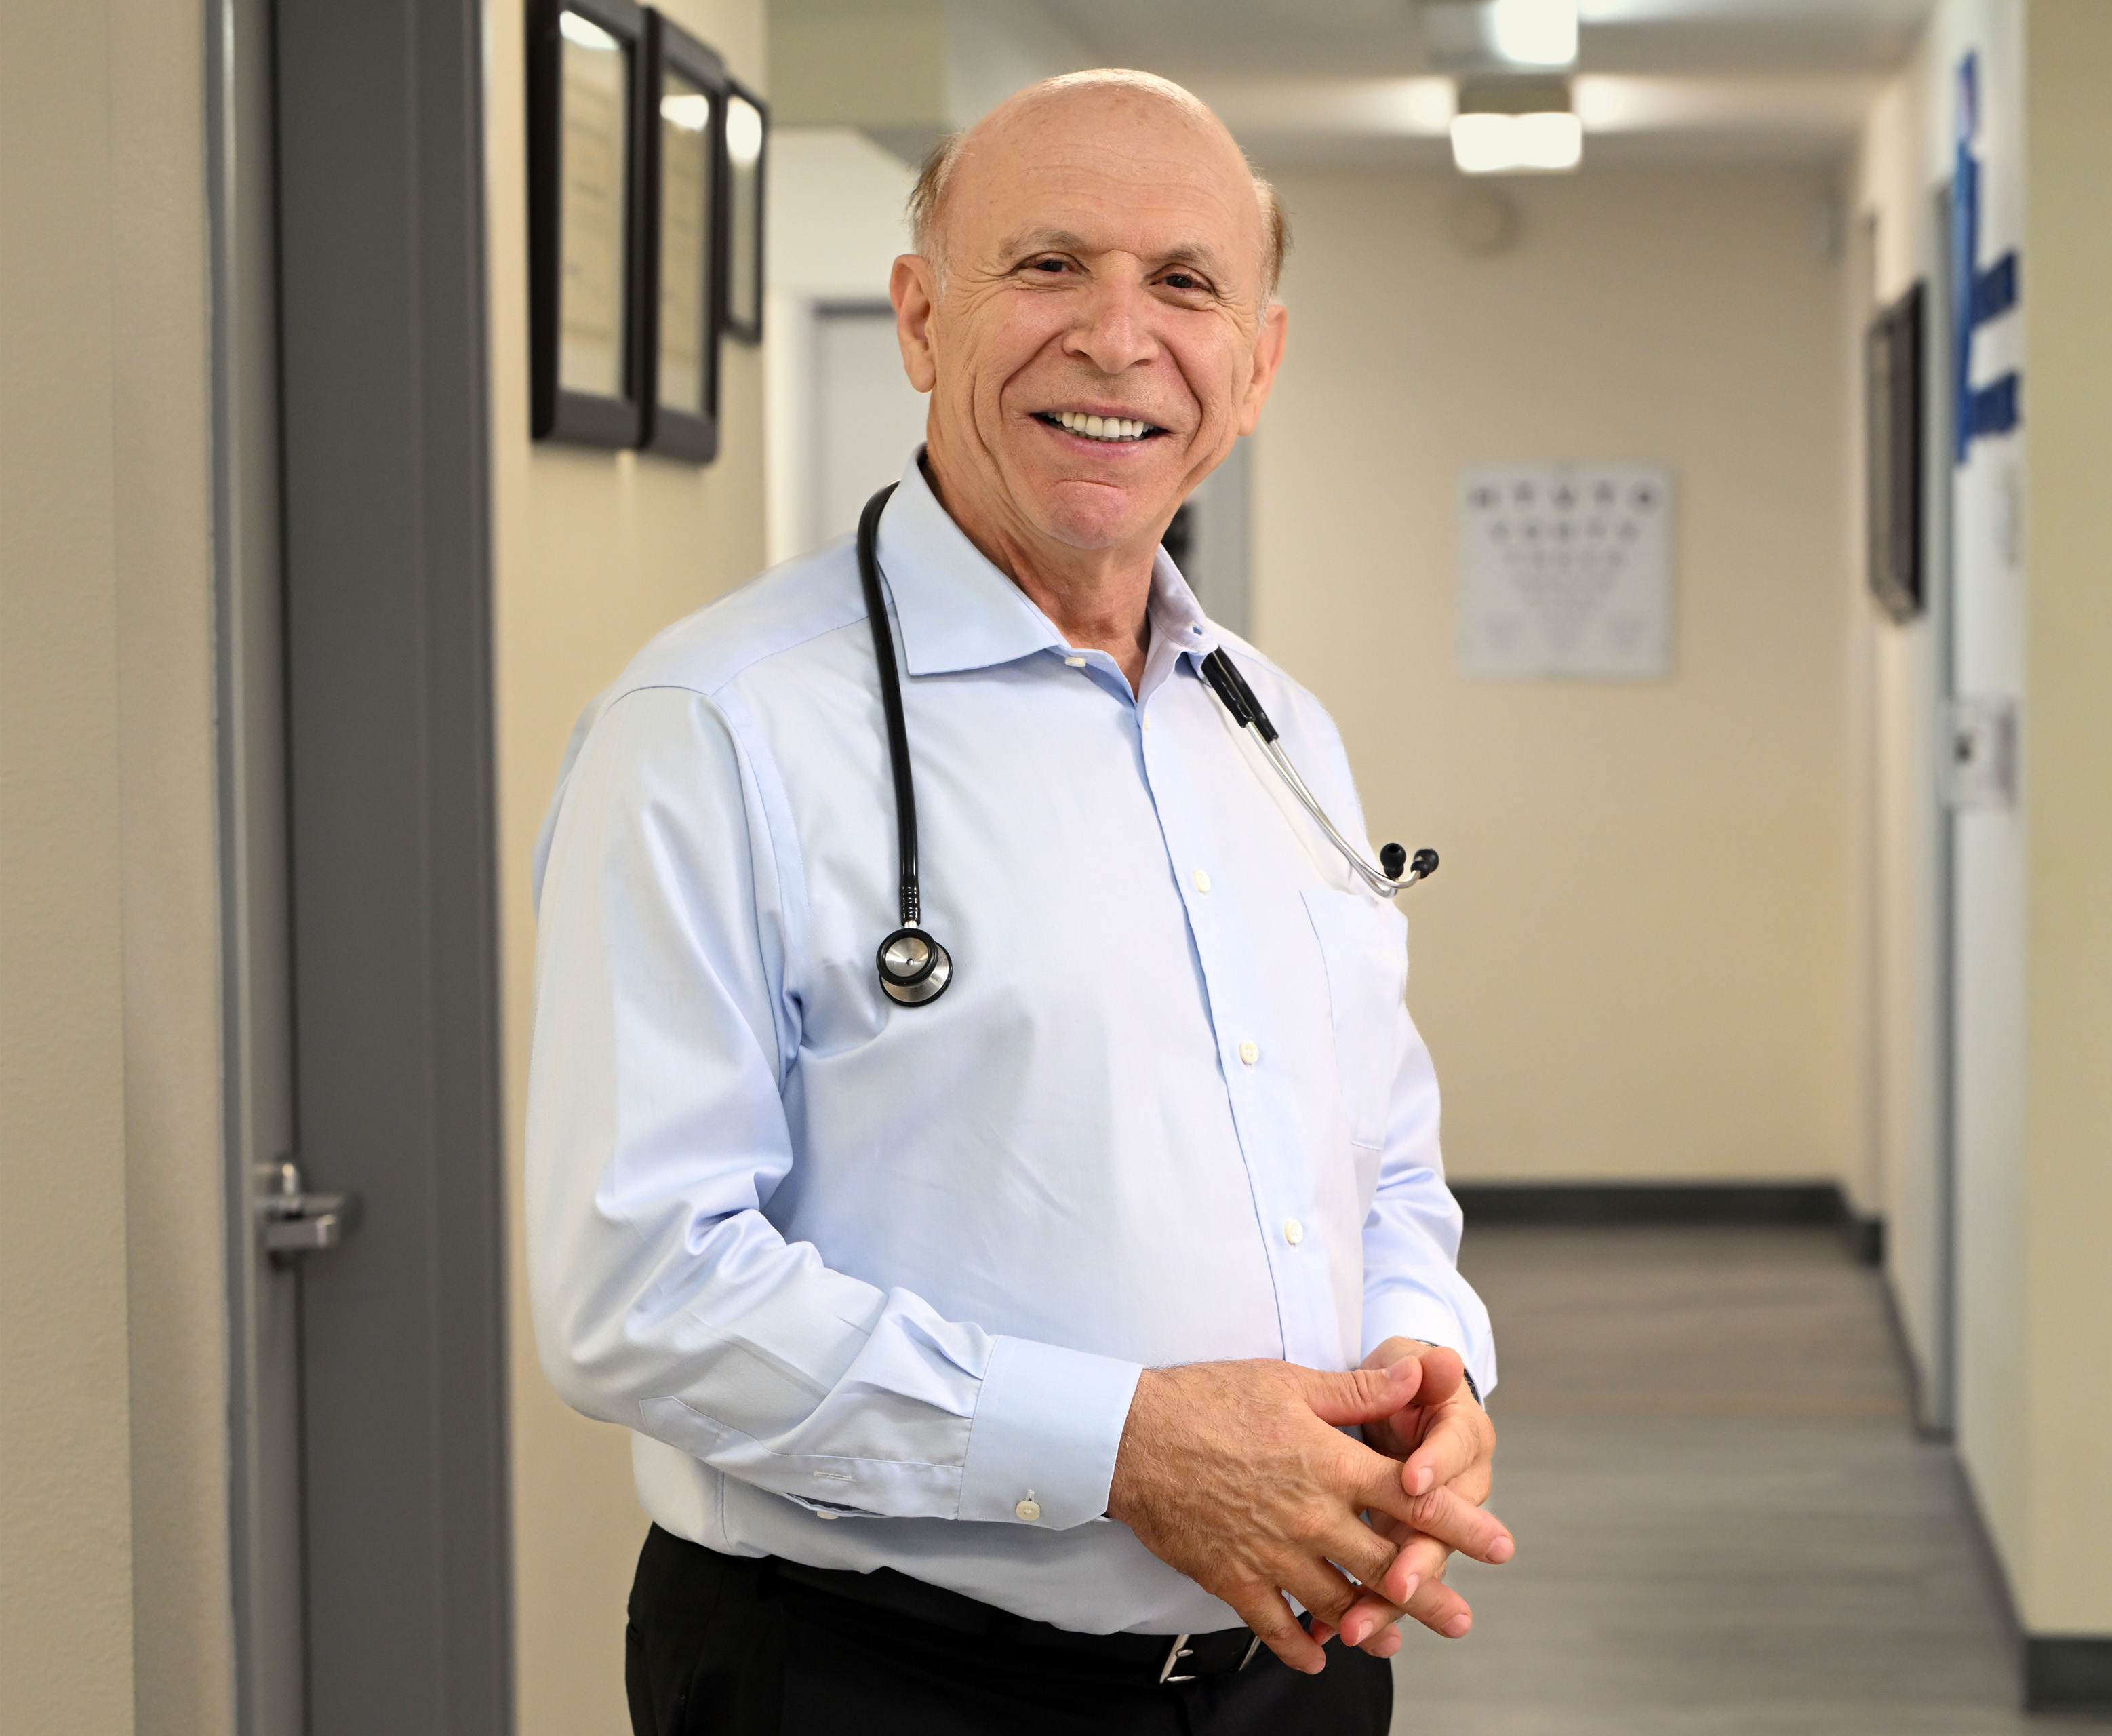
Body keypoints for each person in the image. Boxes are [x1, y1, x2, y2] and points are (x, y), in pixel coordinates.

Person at [525, 68, 1508, 1735]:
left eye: (1186, 283)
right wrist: (1122, 1446)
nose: (1119, 339)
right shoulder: (719, 727)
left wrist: (1431, 1363)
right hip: (880, 1683)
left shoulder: (1273, 727)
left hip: (1290, 1677)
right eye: (1049, 266)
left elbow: (1384, 1158)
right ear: (921, 319)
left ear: (1256, 365)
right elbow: (641, 1291)